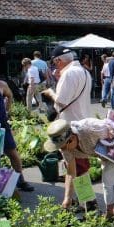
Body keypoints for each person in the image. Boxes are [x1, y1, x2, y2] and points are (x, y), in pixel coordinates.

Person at [44, 118, 114, 216]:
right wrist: (67, 198)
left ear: (71, 139)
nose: (62, 150)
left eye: (62, 147)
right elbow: (71, 173)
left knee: (108, 180)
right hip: (106, 153)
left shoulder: (90, 130)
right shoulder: (65, 148)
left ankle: (110, 214)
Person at [42, 45, 93, 208]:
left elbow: (62, 101)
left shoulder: (69, 73)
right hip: (82, 124)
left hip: (69, 127)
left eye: (55, 62)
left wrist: (50, 93)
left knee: (75, 168)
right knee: (80, 166)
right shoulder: (84, 71)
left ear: (59, 60)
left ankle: (85, 202)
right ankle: (80, 201)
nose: (55, 66)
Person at [0, 59, 34, 192]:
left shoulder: (0, 85)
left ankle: (20, 179)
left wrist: (7, 110)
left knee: (12, 152)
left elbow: (10, 96)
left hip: (1, 125)